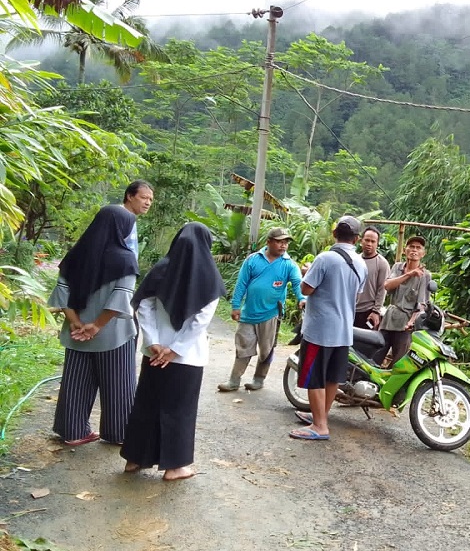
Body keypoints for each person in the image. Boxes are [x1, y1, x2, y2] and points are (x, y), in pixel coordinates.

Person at [121, 222, 226, 481]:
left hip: (153, 354)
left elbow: (144, 305)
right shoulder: (208, 275)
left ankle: (135, 459)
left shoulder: (161, 268)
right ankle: (175, 467)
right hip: (187, 357)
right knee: (179, 409)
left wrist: (154, 342)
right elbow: (200, 319)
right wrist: (175, 350)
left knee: (147, 404)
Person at [47, 205, 139, 446]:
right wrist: (96, 326)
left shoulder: (75, 255)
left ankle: (73, 431)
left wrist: (77, 323)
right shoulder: (126, 258)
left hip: (76, 334)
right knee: (119, 385)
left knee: (75, 383)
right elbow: (121, 297)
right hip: (113, 335)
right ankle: (118, 433)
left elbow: (62, 292)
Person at [290, 215, 366, 440]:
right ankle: (320, 416)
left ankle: (320, 426)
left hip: (319, 330)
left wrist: (306, 273)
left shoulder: (324, 259)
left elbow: (306, 290)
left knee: (314, 377)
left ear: (335, 234)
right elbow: (355, 294)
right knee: (332, 378)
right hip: (344, 330)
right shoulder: (361, 264)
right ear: (357, 239)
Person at [219, 226, 305, 392]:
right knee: (243, 346)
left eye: (286, 242)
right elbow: (241, 284)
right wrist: (236, 306)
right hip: (249, 312)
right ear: (269, 242)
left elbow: (296, 283)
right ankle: (234, 380)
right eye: (280, 242)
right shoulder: (253, 260)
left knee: (267, 349)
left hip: (271, 313)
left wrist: (302, 298)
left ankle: (259, 379)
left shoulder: (289, 265)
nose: (283, 245)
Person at [380, 235, 431, 366]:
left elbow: (421, 305)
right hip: (388, 319)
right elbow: (387, 285)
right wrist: (409, 274)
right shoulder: (397, 267)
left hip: (405, 324)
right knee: (377, 354)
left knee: (398, 361)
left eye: (418, 248)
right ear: (404, 250)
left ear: (423, 253)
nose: (414, 250)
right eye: (411, 247)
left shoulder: (425, 275)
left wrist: (411, 322)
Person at [354, 226, 389, 329]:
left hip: (368, 311)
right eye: (367, 240)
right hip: (350, 309)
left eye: (373, 241)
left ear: (377, 243)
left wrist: (376, 311)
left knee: (365, 343)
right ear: (361, 241)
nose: (369, 244)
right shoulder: (354, 260)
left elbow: (382, 289)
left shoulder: (382, 264)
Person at [121, 180, 154, 261]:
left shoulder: (131, 218)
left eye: (150, 200)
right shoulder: (119, 216)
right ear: (130, 196)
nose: (148, 203)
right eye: (144, 198)